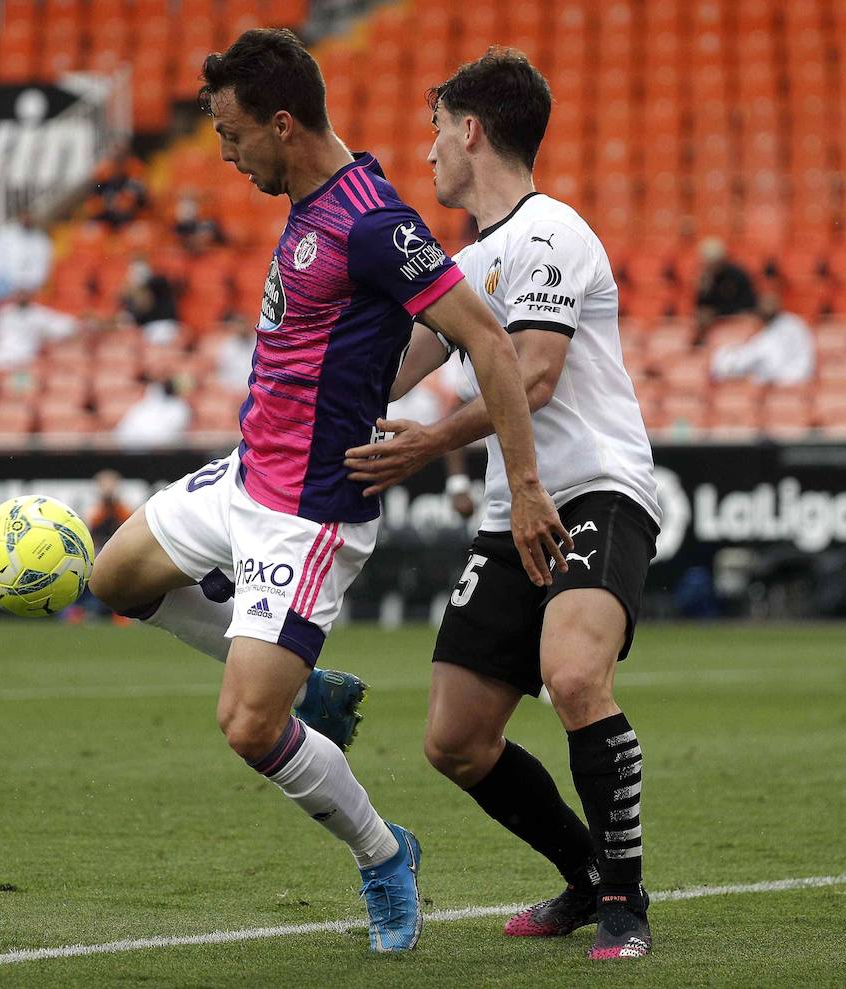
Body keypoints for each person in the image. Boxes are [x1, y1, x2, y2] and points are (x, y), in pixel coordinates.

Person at [86, 29, 566, 954]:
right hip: (244, 474)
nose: (227, 158)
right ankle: (311, 683)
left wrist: (526, 483)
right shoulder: (313, 204)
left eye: (233, 138)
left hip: (306, 514)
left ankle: (385, 854)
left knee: (246, 724)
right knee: (113, 579)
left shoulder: (376, 227)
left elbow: (494, 344)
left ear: (281, 123)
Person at [343, 48, 663, 960]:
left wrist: (429, 441)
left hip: (596, 487)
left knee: (572, 674)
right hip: (507, 509)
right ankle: (583, 871)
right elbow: (394, 369)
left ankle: (625, 901)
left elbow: (536, 372)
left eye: (435, 128)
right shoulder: (462, 262)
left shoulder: (552, 230)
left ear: (471, 128)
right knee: (456, 738)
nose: (428, 149)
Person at [710, 291, 815, 385]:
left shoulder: (790, 325)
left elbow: (771, 358)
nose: (766, 308)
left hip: (793, 378)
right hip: (779, 378)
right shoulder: (768, 327)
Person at [0, 291, 78, 370]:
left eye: (24, 296)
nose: (21, 298)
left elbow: (63, 326)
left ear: (30, 297)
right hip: (2, 352)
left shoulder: (38, 314)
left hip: (26, 355)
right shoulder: (7, 311)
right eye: (19, 295)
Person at [0, 209, 52, 304]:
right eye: (25, 216)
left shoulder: (41, 240)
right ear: (19, 216)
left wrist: (27, 286)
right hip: (5, 285)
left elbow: (43, 268)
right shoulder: (4, 235)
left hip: (31, 288)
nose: (27, 219)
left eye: (29, 216)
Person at [113, 374, 193, 449]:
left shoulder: (180, 408)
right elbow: (121, 436)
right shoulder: (140, 407)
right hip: (133, 455)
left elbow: (169, 438)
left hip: (166, 456)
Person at [695, 237, 758, 331]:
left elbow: (747, 303)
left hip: (737, 321)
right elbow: (702, 305)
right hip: (715, 323)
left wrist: (716, 312)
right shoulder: (707, 277)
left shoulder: (737, 274)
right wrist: (704, 289)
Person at [120, 255, 180, 344]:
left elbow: (153, 283)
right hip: (146, 329)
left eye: (140, 270)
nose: (138, 273)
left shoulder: (159, 283)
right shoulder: (130, 292)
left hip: (164, 325)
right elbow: (133, 316)